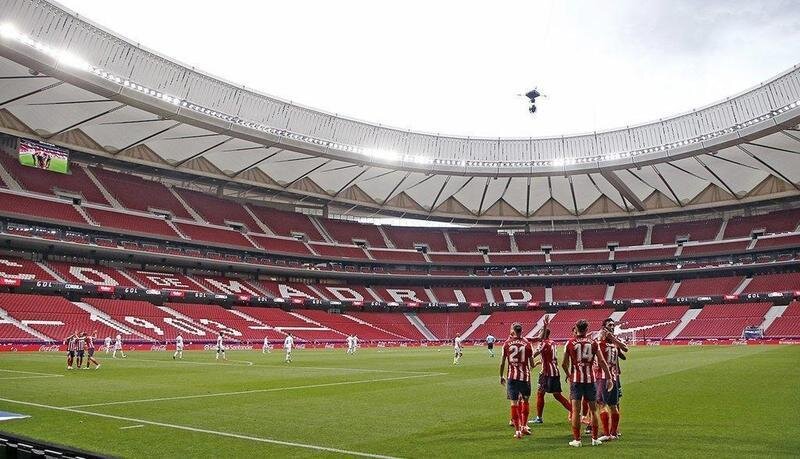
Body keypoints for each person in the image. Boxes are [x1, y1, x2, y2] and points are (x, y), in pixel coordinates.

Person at [562, 319, 613, 447]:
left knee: (576, 411)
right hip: (591, 380)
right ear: (587, 329)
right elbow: (601, 361)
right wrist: (609, 377)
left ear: (576, 328)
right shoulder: (593, 342)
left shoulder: (570, 343)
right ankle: (594, 439)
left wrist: (569, 375)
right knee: (594, 410)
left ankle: (577, 440)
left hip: (576, 380)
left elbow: (564, 364)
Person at [531, 317, 572, 424]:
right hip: (554, 372)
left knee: (541, 394)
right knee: (555, 395)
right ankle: (576, 412)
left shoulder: (543, 343)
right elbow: (548, 356)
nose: (539, 334)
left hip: (547, 374)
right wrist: (541, 361)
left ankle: (539, 418)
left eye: (540, 332)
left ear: (543, 333)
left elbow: (532, 355)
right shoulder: (552, 343)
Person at [500, 322, 536, 439]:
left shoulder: (506, 344)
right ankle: (524, 426)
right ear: (522, 331)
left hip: (512, 377)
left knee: (514, 404)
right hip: (525, 378)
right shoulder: (527, 344)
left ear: (513, 331)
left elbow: (502, 362)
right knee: (525, 401)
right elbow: (532, 364)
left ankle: (517, 431)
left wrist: (501, 376)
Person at [595, 319, 629, 441]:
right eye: (610, 325)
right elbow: (625, 350)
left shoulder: (599, 344)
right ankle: (613, 433)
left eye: (613, 325)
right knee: (614, 405)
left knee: (602, 404)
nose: (612, 327)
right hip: (614, 377)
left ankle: (607, 433)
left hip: (603, 378)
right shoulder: (614, 345)